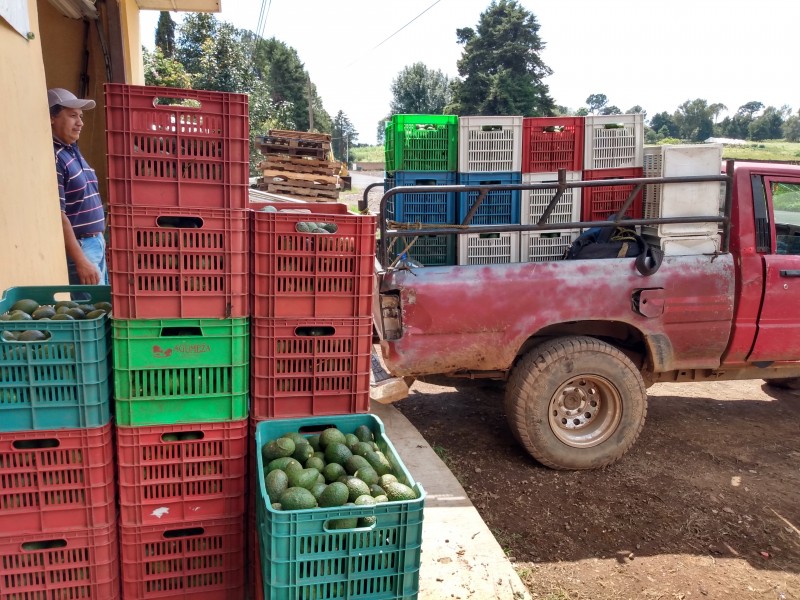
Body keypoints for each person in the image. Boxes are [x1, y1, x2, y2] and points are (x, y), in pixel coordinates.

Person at [48, 87, 107, 286]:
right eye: (73, 115)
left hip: (95, 243)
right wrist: (81, 260)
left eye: (81, 116)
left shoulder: (72, 150)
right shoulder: (55, 158)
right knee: (92, 310)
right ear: (51, 118)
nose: (80, 122)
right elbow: (58, 214)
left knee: (103, 309)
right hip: (81, 249)